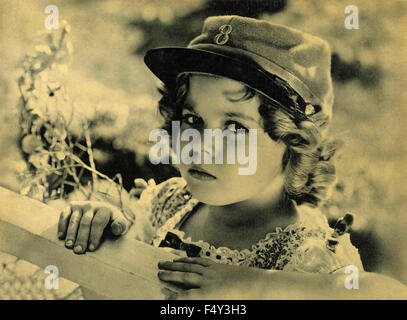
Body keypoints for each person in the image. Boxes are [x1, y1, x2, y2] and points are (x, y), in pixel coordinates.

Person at [57, 15, 407, 299]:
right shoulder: (172, 202)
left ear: (292, 141)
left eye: (235, 129)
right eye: (193, 120)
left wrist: (255, 285)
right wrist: (105, 232)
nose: (202, 145)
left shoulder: (308, 255)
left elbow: (388, 293)